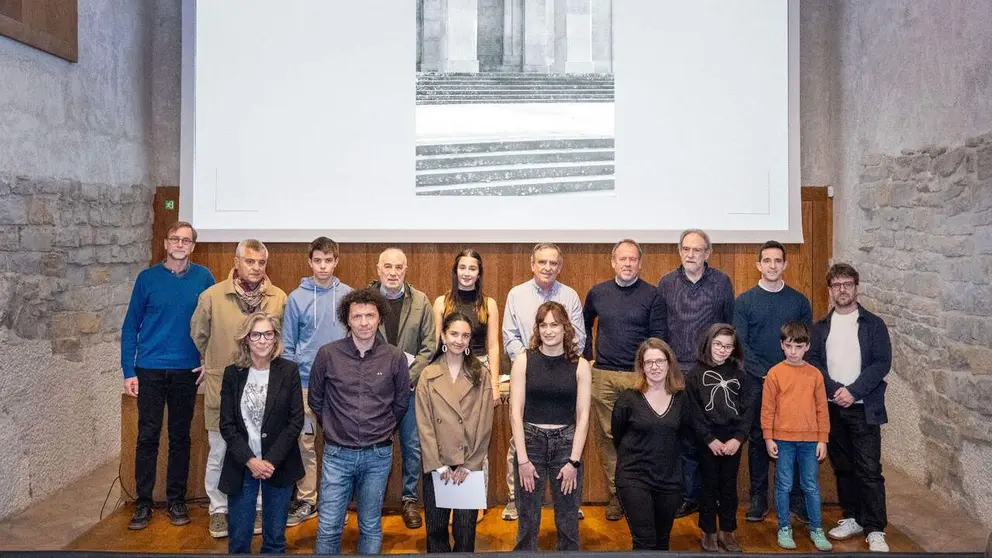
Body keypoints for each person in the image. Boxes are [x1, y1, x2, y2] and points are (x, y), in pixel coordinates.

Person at [191, 239, 288, 538]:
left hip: (263, 390)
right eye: (249, 261)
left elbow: (281, 339)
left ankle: (258, 506)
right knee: (220, 451)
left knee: (259, 447)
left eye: (261, 262)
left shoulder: (278, 298)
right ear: (236, 262)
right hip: (223, 388)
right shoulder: (212, 296)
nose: (256, 268)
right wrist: (213, 361)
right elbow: (199, 335)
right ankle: (218, 509)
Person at [121, 221, 215, 530]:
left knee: (180, 437)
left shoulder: (204, 278)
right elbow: (130, 326)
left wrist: (208, 360)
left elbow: (214, 324)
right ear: (165, 243)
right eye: (175, 238)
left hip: (186, 370)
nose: (180, 244)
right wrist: (128, 370)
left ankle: (176, 500)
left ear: (193, 246)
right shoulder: (147, 279)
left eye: (186, 240)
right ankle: (143, 503)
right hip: (149, 369)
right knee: (147, 436)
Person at [309, 288, 410, 555]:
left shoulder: (395, 357)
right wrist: (334, 426)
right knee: (328, 526)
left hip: (378, 455)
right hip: (337, 454)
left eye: (370, 316)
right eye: (357, 316)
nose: (364, 322)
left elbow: (400, 403)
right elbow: (316, 399)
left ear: (379, 318)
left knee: (371, 525)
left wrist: (383, 428)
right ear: (347, 320)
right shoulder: (328, 354)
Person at [808, 263, 892, 553]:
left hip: (863, 408)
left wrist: (853, 391)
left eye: (847, 284)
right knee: (843, 468)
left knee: (869, 470)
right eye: (836, 285)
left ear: (856, 287)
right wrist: (835, 391)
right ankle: (853, 517)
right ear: (830, 290)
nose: (842, 290)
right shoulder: (820, 327)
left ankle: (875, 528)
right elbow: (814, 362)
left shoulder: (873, 324)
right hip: (833, 407)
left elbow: (881, 363)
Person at [501, 243, 586, 521]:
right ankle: (516, 499)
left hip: (563, 370)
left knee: (567, 433)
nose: (547, 267)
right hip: (526, 371)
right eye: (542, 262)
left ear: (560, 266)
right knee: (521, 436)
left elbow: (579, 335)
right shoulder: (517, 294)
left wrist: (559, 361)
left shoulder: (570, 296)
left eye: (552, 263)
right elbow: (510, 336)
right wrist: (530, 362)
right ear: (532, 264)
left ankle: (568, 499)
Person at [582, 238, 664, 521]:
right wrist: (587, 356)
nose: (627, 264)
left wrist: (651, 373)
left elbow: (658, 339)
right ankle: (617, 494)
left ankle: (639, 494)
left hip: (638, 377)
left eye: (632, 259)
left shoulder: (653, 295)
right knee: (608, 437)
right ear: (613, 262)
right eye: (622, 259)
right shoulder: (598, 292)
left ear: (640, 263)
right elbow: (584, 324)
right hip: (603, 375)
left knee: (639, 436)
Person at [656, 229, 735, 517]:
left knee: (710, 436)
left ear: (707, 253)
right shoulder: (666, 283)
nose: (691, 255)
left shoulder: (721, 282)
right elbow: (660, 329)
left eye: (697, 250)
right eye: (686, 249)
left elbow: (728, 327)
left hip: (711, 374)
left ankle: (710, 497)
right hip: (677, 373)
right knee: (684, 438)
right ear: (680, 251)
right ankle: (689, 496)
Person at [734, 240, 813, 523]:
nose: (772, 265)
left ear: (785, 265)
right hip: (757, 380)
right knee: (758, 437)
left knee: (793, 436)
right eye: (767, 260)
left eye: (777, 260)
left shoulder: (799, 301)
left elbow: (805, 340)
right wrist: (767, 373)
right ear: (758, 265)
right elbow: (740, 343)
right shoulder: (744, 301)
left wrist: (785, 373)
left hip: (794, 381)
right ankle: (758, 498)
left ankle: (796, 499)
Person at [218, 312, 304, 554]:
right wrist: (251, 460)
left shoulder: (288, 371)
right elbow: (227, 425)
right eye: (256, 335)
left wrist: (270, 461)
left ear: (275, 338)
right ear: (246, 339)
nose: (262, 340)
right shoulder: (232, 373)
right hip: (242, 464)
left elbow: (295, 421)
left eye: (268, 334)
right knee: (239, 539)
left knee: (275, 540)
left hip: (278, 464)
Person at [281, 236, 353, 526]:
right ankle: (308, 500)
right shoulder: (295, 298)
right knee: (305, 443)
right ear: (309, 262)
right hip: (304, 384)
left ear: (336, 262)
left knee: (342, 445)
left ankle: (337, 503)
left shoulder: (348, 296)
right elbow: (288, 346)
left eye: (328, 260)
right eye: (318, 261)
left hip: (340, 386)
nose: (323, 266)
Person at [510, 301, 591, 551]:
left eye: (554, 325)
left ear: (565, 327)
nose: (548, 330)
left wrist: (573, 462)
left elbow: (583, 416)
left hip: (566, 446)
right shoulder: (524, 360)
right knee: (527, 518)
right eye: (543, 325)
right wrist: (522, 461)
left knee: (568, 520)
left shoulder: (580, 365)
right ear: (537, 328)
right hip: (530, 444)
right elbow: (515, 413)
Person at [415, 312, 495, 553]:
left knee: (465, 533)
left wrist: (470, 464)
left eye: (465, 336)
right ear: (443, 336)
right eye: (454, 334)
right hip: (438, 465)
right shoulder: (428, 374)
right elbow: (424, 423)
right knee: (436, 532)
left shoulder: (481, 374)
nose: (459, 340)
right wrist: (438, 465)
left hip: (467, 466)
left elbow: (485, 423)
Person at [431, 249, 501, 523]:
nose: (467, 273)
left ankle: (475, 500)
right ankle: (451, 499)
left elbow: (493, 345)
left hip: (478, 371)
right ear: (455, 270)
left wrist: (494, 383)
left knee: (477, 437)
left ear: (479, 273)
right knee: (449, 435)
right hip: (448, 370)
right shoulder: (442, 302)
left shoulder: (489, 304)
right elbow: (436, 343)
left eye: (473, 268)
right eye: (463, 267)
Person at [370, 247, 437, 529]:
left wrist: (408, 377)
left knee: (412, 446)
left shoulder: (421, 301)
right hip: (375, 391)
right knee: (375, 446)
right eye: (388, 266)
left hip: (410, 390)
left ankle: (409, 499)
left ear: (406, 270)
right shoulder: (366, 300)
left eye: (399, 267)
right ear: (378, 269)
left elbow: (429, 346)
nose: (393, 272)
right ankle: (373, 500)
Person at [611, 338, 690, 551]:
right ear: (642, 366)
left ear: (669, 363)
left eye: (659, 361)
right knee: (644, 541)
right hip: (634, 477)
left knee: (662, 540)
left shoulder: (682, 398)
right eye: (649, 362)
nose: (655, 367)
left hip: (669, 480)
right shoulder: (628, 399)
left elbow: (684, 435)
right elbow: (618, 436)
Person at [762, 321, 832, 551]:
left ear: (807, 346)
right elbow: (767, 409)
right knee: (783, 484)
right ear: (782, 345)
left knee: (810, 485)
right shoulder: (774, 373)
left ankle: (817, 528)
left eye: (798, 347)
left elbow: (822, 408)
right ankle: (784, 527)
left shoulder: (815, 375)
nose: (793, 352)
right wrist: (768, 437)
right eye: (789, 346)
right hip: (783, 440)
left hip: (810, 441)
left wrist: (822, 439)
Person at [685, 323, 755, 552]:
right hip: (707, 439)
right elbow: (693, 412)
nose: (722, 350)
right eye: (718, 344)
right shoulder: (695, 374)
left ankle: (728, 530)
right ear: (708, 343)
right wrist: (708, 439)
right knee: (708, 484)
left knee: (728, 485)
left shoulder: (739, 374)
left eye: (727, 346)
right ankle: (708, 531)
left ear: (734, 349)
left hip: (732, 438)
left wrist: (738, 438)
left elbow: (748, 410)